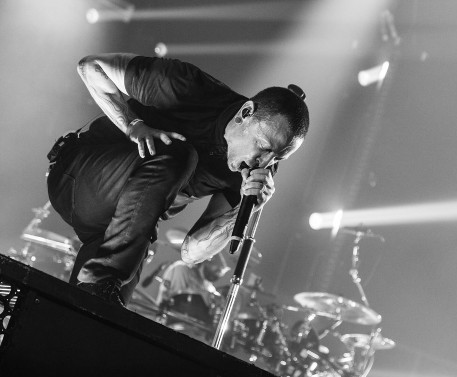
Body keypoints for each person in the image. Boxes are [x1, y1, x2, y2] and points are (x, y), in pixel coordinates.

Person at [46, 53, 309, 307]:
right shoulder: (190, 87)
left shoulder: (255, 175)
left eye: (277, 158)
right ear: (246, 113)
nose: (263, 162)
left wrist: (245, 209)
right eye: (262, 146)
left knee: (98, 314)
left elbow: (190, 253)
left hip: (121, 227)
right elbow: (91, 66)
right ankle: (102, 279)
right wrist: (132, 125)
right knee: (181, 154)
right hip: (78, 175)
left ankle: (91, 300)